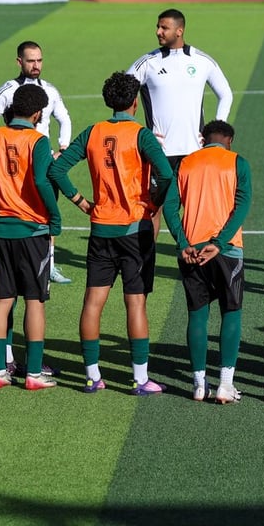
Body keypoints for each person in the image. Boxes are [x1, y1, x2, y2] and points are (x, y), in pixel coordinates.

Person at [49, 72, 174, 396]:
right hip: (134, 230)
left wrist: (81, 202)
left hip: (101, 229)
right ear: (135, 102)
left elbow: (57, 169)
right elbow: (166, 174)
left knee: (93, 302)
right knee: (136, 304)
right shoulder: (141, 135)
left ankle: (92, 377)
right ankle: (139, 379)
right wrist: (153, 203)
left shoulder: (93, 132)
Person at [0, 84, 62, 390]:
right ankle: (33, 373)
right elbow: (42, 182)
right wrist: (54, 217)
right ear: (38, 113)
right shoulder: (38, 141)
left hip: (0, 230)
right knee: (35, 300)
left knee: (3, 297)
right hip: (32, 230)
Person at [162, 120, 252, 404]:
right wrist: (220, 243)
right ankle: (226, 384)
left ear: (203, 140)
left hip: (192, 251)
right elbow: (242, 207)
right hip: (227, 250)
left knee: (197, 314)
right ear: (230, 141)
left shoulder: (185, 163)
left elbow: (169, 207)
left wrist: (182, 243)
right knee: (231, 311)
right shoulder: (238, 162)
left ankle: (199, 385)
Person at [0, 41, 74, 284]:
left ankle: (48, 264)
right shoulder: (7, 90)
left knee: (46, 210)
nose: (36, 65)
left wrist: (63, 148)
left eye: (39, 60)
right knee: (16, 209)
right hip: (15, 163)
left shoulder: (50, 90)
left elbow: (64, 119)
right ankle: (19, 263)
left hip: (43, 160)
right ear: (19, 62)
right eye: (31, 60)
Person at [127, 9, 233, 163]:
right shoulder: (147, 62)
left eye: (164, 28)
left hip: (195, 151)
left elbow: (225, 94)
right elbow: (122, 94)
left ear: (179, 31)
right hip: (158, 152)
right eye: (158, 27)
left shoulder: (202, 61)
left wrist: (215, 132)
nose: (158, 32)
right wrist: (139, 134)